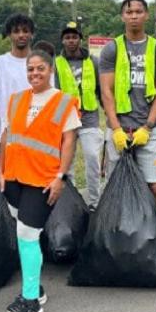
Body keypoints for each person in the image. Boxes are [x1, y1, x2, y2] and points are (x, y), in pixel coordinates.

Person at [0, 50, 81, 312]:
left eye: (40, 69)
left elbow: (69, 142)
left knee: (27, 234)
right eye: (30, 69)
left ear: (50, 70)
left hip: (43, 180)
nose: (35, 73)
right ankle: (36, 287)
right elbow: (7, 135)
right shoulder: (17, 99)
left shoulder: (64, 102)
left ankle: (30, 301)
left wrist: (61, 177)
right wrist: (1, 171)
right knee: (25, 234)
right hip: (15, 177)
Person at [99, 0, 156, 209]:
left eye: (138, 12)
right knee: (117, 186)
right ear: (123, 16)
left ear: (146, 15)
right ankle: (117, 234)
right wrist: (116, 129)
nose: (134, 16)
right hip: (120, 128)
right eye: (129, 12)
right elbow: (106, 91)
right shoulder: (112, 48)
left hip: (150, 130)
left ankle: (155, 234)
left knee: (154, 188)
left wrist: (147, 127)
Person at [53, 20, 103, 210]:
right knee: (69, 161)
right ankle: (71, 201)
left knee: (92, 158)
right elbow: (55, 92)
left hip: (90, 117)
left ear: (80, 39)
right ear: (62, 41)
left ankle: (94, 202)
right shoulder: (57, 63)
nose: (71, 41)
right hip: (67, 119)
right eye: (67, 38)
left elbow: (100, 89)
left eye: (74, 37)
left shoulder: (93, 62)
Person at [0, 13, 36, 164]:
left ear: (32, 34)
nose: (21, 35)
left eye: (25, 31)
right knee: (6, 186)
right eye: (16, 31)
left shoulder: (41, 62)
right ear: (9, 34)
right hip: (5, 137)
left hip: (35, 137)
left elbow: (50, 100)